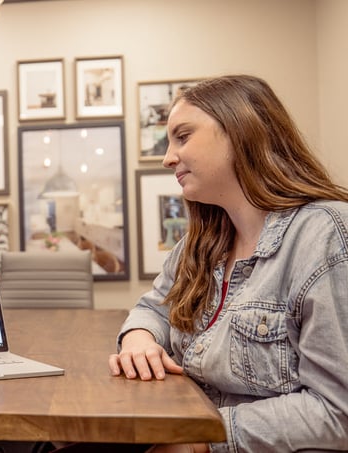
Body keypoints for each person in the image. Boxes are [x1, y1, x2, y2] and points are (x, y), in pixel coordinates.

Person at [109, 75, 348, 452]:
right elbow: (153, 307)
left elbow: (338, 413)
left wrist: (203, 437)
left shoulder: (324, 234)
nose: (168, 157)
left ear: (240, 130)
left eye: (182, 136)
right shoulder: (203, 239)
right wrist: (139, 339)